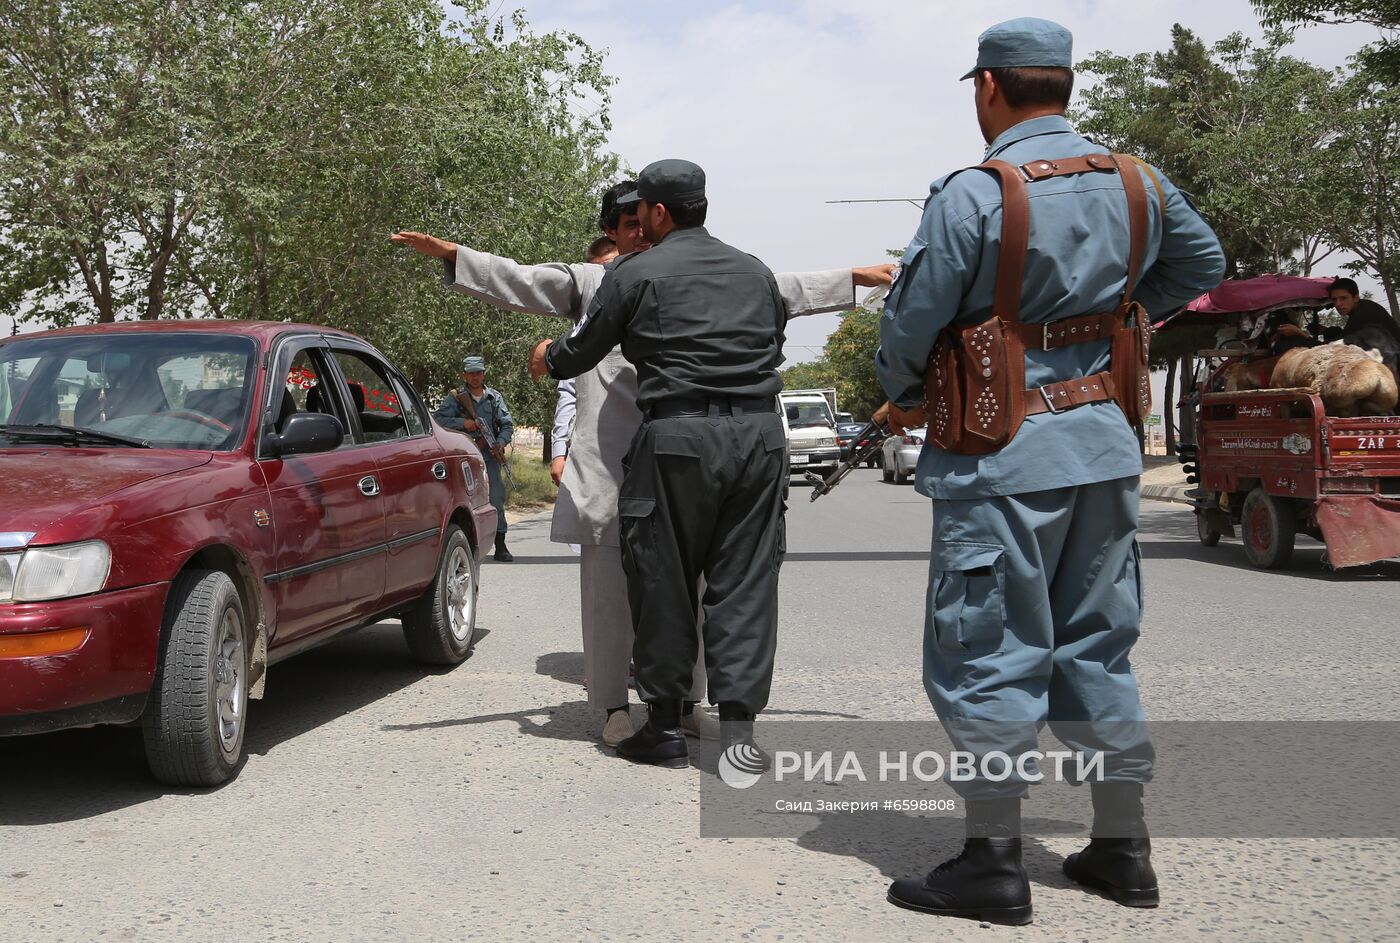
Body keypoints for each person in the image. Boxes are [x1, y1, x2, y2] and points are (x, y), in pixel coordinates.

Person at [876, 18, 1225, 925]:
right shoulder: (1139, 182)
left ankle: (992, 861)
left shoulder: (975, 192)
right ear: (1063, 86)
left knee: (988, 647)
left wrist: (905, 388)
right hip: (1104, 447)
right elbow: (1203, 263)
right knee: (1097, 643)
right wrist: (1114, 320)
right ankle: (1123, 846)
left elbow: (911, 324)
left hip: (1000, 457)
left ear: (988, 88)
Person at [392, 189, 892, 748]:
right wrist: (453, 256)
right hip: (609, 467)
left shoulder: (685, 277)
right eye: (628, 226)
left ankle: (686, 706)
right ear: (612, 231)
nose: (641, 234)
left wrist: (851, 278)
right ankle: (612, 706)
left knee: (697, 588)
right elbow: (520, 280)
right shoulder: (592, 283)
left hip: (680, 462)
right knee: (609, 601)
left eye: (644, 223)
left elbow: (779, 287)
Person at [533, 158, 794, 770]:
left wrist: (549, 354)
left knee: (665, 580)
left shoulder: (636, 273)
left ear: (657, 212)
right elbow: (773, 342)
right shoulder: (755, 271)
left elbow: (581, 352)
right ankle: (738, 735)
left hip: (678, 437)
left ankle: (667, 729)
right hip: (759, 438)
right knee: (746, 583)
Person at [551, 236, 621, 488]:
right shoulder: (579, 334)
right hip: (593, 452)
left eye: (611, 268)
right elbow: (570, 393)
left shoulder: (644, 317)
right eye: (597, 272)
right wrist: (559, 451)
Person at [433, 356, 515, 562]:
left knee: (495, 498)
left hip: (489, 455)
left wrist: (501, 442)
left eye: (478, 373)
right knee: (465, 501)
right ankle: (466, 546)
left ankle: (500, 543)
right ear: (465, 375)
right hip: (465, 458)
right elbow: (439, 420)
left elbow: (507, 424)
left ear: (483, 373)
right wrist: (464, 423)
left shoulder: (494, 397)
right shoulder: (455, 398)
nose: (475, 377)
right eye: (471, 373)